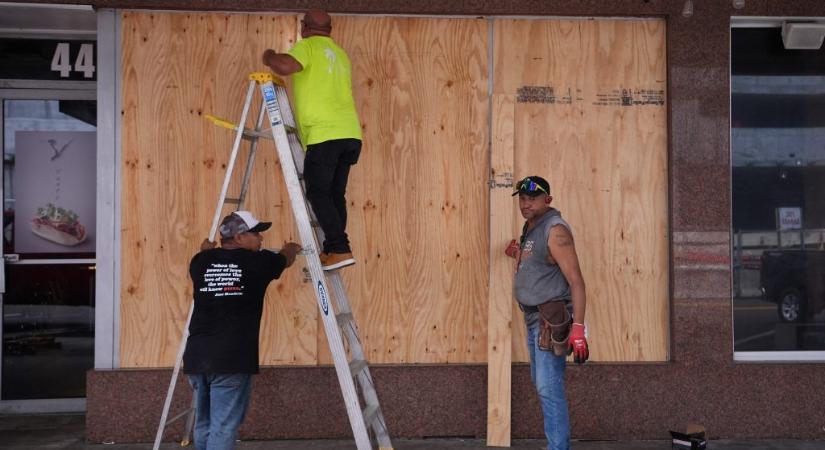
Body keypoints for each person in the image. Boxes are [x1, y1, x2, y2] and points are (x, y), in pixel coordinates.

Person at [183, 210, 301, 450]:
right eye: (256, 233)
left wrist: (205, 249)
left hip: (197, 357)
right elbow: (285, 259)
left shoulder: (199, 261)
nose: (261, 239)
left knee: (204, 422)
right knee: (223, 426)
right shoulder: (257, 263)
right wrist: (291, 247)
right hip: (231, 359)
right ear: (238, 237)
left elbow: (207, 255)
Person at [261, 9, 361, 271]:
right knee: (334, 194)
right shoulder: (340, 54)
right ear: (330, 28)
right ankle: (334, 249)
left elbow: (284, 66)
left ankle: (339, 247)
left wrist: (269, 55)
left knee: (318, 192)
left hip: (324, 134)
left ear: (304, 26)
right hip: (349, 133)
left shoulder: (308, 46)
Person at [505, 176, 590, 450]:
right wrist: (517, 253)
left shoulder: (555, 230)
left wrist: (578, 329)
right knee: (542, 384)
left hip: (549, 320)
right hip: (532, 318)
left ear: (548, 200)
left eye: (533, 198)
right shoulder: (531, 227)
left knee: (548, 388)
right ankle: (556, 444)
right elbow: (541, 262)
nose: (526, 203)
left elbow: (576, 281)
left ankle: (558, 447)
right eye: (522, 198)